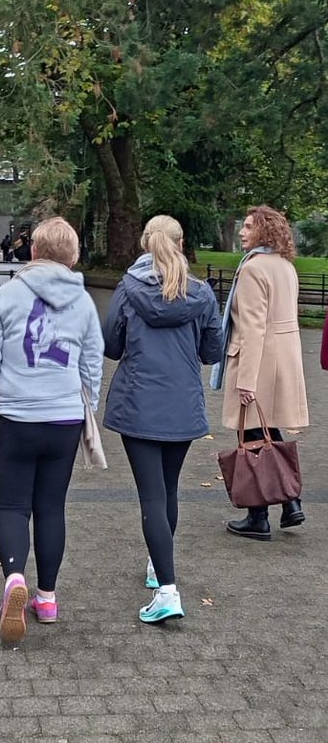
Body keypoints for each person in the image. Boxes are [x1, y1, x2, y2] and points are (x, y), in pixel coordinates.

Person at [0, 217, 104, 645]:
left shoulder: (7, 295)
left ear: (34, 252)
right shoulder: (84, 302)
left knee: (12, 506)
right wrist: (89, 408)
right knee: (51, 507)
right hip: (64, 419)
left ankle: (13, 580)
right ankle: (47, 598)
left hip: (16, 417)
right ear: (73, 258)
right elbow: (92, 362)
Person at [103, 215, 223, 624]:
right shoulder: (201, 293)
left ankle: (167, 591)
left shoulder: (128, 287)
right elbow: (212, 352)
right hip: (182, 403)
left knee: (152, 495)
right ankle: (159, 566)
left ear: (145, 243)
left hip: (138, 402)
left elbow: (111, 344)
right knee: (168, 490)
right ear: (181, 243)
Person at [220, 206, 309, 541]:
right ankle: (290, 501)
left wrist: (246, 380)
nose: (242, 232)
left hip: (258, 361)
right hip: (281, 359)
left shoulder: (254, 268)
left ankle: (259, 515)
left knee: (252, 436)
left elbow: (253, 327)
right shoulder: (285, 266)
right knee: (266, 431)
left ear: (263, 231)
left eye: (248, 226)